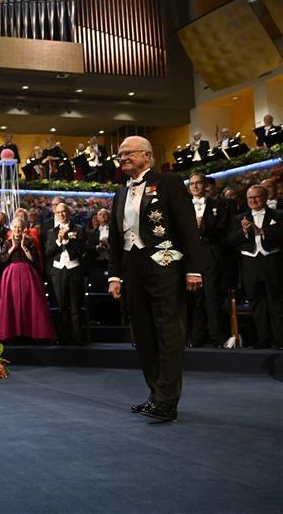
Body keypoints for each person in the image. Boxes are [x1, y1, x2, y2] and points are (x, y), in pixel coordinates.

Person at [108, 135, 203, 423]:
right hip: (132, 268)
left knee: (169, 332)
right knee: (144, 334)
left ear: (147, 156)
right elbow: (115, 237)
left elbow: (188, 227)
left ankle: (166, 400)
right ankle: (155, 395)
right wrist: (114, 275)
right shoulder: (121, 192)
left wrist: (194, 269)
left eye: (129, 153)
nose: (122, 158)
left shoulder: (168, 183)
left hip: (165, 265)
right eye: (120, 154)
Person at [226, 185, 283, 349]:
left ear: (265, 198)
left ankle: (279, 340)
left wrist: (263, 231)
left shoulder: (278, 215)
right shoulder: (239, 218)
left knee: (276, 303)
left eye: (257, 197)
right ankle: (262, 340)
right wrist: (244, 232)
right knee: (256, 304)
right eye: (250, 198)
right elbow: (229, 241)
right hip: (249, 265)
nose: (253, 200)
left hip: (272, 262)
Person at [0, 217, 55, 342]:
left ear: (24, 229)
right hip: (11, 276)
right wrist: (12, 248)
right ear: (12, 228)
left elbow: (34, 259)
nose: (17, 229)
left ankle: (32, 333)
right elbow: (2, 260)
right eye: (15, 227)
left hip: (28, 276)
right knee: (12, 303)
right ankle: (12, 333)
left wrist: (24, 248)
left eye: (20, 227)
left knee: (30, 303)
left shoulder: (29, 241)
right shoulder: (7, 242)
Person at [187, 173, 228, 348]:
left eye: (198, 183)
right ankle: (196, 338)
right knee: (195, 300)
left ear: (206, 185)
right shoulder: (183, 207)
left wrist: (204, 226)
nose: (195, 186)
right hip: (191, 258)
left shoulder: (218, 205)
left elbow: (222, 230)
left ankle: (216, 338)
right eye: (192, 184)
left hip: (211, 256)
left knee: (211, 298)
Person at [45, 203, 87, 344]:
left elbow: (80, 250)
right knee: (61, 306)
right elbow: (48, 252)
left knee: (75, 306)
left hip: (74, 269)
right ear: (55, 214)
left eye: (64, 212)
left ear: (68, 213)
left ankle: (78, 337)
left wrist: (67, 241)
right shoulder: (52, 232)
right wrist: (58, 241)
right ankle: (63, 337)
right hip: (58, 271)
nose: (61, 215)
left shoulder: (78, 229)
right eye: (58, 212)